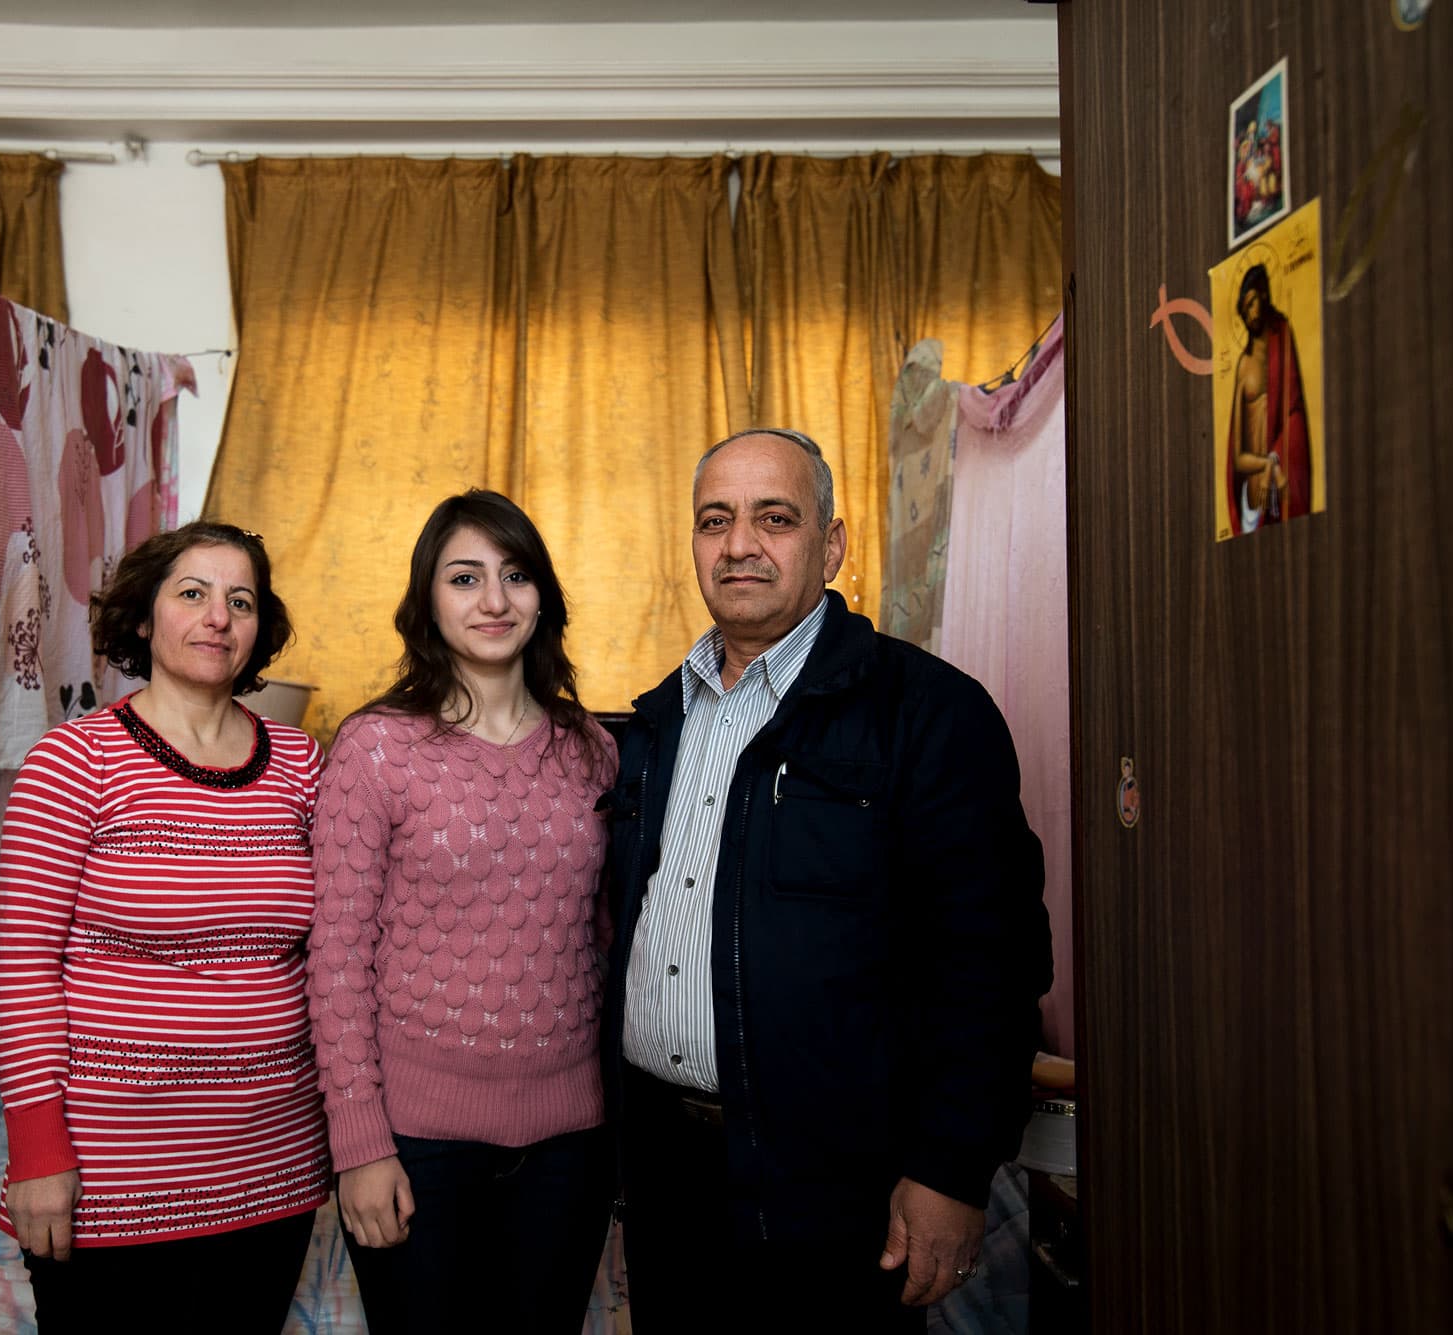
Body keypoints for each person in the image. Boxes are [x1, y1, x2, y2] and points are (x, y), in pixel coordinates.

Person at [602, 428, 1052, 1333]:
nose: (739, 545)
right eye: (715, 520)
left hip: (838, 1189)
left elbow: (991, 966)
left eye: (775, 518)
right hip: (667, 1180)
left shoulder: (927, 714)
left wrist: (950, 1171)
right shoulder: (655, 725)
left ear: (833, 544)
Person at [0, 521, 328, 1334]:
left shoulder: (304, 764)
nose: (219, 617)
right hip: (113, 1174)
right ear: (144, 618)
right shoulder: (74, 761)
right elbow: (24, 963)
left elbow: (338, 950)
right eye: (193, 593)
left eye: (240, 600)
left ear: (259, 628)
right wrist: (37, 1152)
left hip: (272, 1169)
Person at [307, 489, 620, 1335]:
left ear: (543, 597)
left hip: (572, 1139)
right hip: (417, 1142)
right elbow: (335, 957)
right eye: (465, 577)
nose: (493, 600)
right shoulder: (374, 748)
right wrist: (361, 1145)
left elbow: (601, 938)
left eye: (515, 575)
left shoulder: (593, 749)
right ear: (427, 600)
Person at [1225, 262, 1312, 534]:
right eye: (1244, 308)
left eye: (1252, 303)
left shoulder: (1282, 338)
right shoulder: (1244, 365)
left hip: (1278, 494)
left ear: (1263, 295)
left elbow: (1295, 411)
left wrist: (1275, 461)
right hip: (1253, 497)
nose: (1249, 314)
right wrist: (1269, 465)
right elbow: (1237, 457)